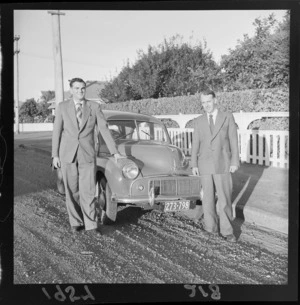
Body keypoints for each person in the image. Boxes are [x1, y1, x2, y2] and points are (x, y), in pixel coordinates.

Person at [52, 77, 123, 235]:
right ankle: (76, 222)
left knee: (88, 190)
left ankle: (91, 225)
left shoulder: (94, 106)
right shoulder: (62, 107)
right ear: (71, 90)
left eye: (82, 88)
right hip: (67, 155)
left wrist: (115, 152)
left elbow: (104, 129)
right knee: (72, 191)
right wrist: (54, 155)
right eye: (76, 88)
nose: (80, 91)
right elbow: (56, 132)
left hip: (87, 155)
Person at [191, 89, 239, 242]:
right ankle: (210, 228)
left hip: (222, 164)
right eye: (203, 103)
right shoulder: (198, 121)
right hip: (204, 164)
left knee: (225, 198)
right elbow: (195, 144)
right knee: (208, 199)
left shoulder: (227, 117)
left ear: (215, 100)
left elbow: (233, 141)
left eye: (209, 102)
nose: (206, 105)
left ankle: (227, 231)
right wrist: (194, 164)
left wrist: (234, 162)